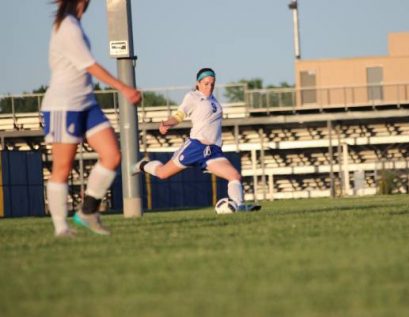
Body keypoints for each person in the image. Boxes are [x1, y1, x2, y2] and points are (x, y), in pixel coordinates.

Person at [42, 0, 141, 237]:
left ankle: (87, 211)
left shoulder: (74, 23)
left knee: (112, 156)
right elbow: (90, 66)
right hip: (64, 106)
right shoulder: (66, 26)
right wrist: (124, 88)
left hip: (87, 103)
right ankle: (61, 228)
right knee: (62, 168)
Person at [132, 68, 260, 212]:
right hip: (196, 147)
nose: (209, 87)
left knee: (234, 176)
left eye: (212, 83)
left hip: (213, 151)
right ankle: (142, 165)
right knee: (162, 174)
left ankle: (240, 207)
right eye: (206, 83)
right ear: (198, 83)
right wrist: (167, 123)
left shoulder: (215, 101)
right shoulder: (192, 96)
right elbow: (180, 115)